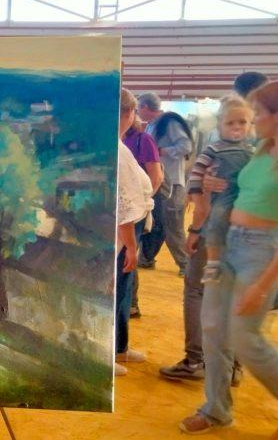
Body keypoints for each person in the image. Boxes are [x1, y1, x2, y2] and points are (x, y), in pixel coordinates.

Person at [180, 79, 278, 434]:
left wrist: (266, 283)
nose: (254, 119)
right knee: (213, 329)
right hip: (226, 242)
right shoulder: (259, 149)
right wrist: (214, 186)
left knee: (245, 337)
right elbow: (236, 188)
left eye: (259, 112)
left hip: (261, 250)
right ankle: (216, 410)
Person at [186, 97, 254, 284]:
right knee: (216, 219)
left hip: (243, 200)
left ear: (250, 125)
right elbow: (196, 172)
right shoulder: (214, 149)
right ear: (219, 126)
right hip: (223, 197)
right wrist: (197, 197)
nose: (236, 127)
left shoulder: (252, 151)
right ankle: (213, 262)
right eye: (230, 123)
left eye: (242, 122)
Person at [115, 88, 155, 376]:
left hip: (128, 229)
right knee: (117, 291)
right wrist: (130, 244)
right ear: (129, 113)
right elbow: (123, 204)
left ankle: (119, 346)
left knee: (124, 290)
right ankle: (111, 349)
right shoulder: (117, 151)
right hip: (122, 233)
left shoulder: (118, 146)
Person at [137, 92, 192, 275]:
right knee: (155, 224)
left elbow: (186, 146)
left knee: (173, 227)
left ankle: (186, 265)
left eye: (138, 108)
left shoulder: (169, 122)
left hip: (172, 184)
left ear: (145, 107)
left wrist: (160, 151)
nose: (137, 112)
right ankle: (146, 259)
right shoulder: (153, 125)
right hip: (159, 183)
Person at [123, 117, 163, 318]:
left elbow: (157, 176)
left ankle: (132, 304)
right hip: (122, 210)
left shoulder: (143, 139)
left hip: (135, 210)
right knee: (125, 257)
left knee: (128, 256)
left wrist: (143, 203)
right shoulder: (117, 140)